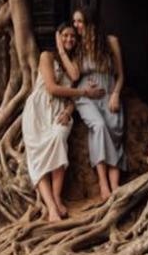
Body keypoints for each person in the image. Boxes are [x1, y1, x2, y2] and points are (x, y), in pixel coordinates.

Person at [21, 23, 105, 222]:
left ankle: (57, 198)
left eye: (73, 37)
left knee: (59, 138)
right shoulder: (46, 56)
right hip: (38, 112)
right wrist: (85, 92)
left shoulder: (74, 63)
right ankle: (51, 208)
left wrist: (69, 110)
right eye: (65, 35)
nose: (69, 40)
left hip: (61, 112)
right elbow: (51, 88)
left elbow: (74, 79)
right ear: (58, 36)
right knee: (37, 158)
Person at [72, 7, 126, 200]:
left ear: (89, 21)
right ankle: (103, 183)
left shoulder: (111, 42)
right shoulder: (77, 46)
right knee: (99, 126)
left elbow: (120, 75)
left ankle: (115, 184)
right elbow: (74, 75)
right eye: (75, 22)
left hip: (109, 93)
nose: (76, 25)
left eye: (79, 21)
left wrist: (115, 94)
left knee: (114, 129)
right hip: (86, 97)